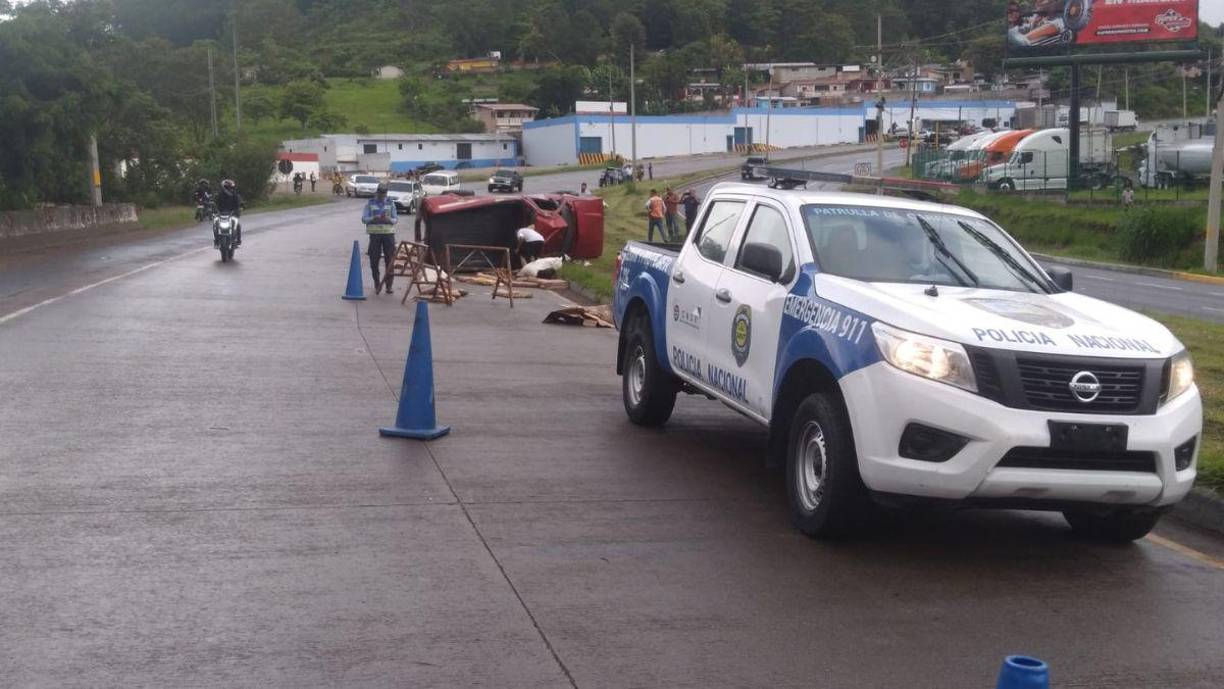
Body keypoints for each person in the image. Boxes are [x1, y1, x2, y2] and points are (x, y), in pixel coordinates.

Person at [362, 183, 399, 294]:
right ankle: (377, 283)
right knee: (374, 260)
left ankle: (388, 286)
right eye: (380, 193)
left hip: (388, 235)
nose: (382, 195)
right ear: (377, 192)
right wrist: (373, 218)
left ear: (386, 193)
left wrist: (389, 220)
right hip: (375, 236)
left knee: (390, 260)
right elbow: (364, 219)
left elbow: (395, 218)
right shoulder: (370, 203)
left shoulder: (390, 203)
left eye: (384, 194)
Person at [214, 179, 243, 247]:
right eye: (227, 187)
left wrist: (239, 208)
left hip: (232, 214)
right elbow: (215, 203)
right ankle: (216, 240)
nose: (229, 189)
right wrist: (214, 210)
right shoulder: (219, 195)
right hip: (221, 214)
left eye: (230, 187)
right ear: (224, 187)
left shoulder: (235, 195)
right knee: (215, 224)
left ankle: (238, 241)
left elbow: (238, 203)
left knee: (237, 225)